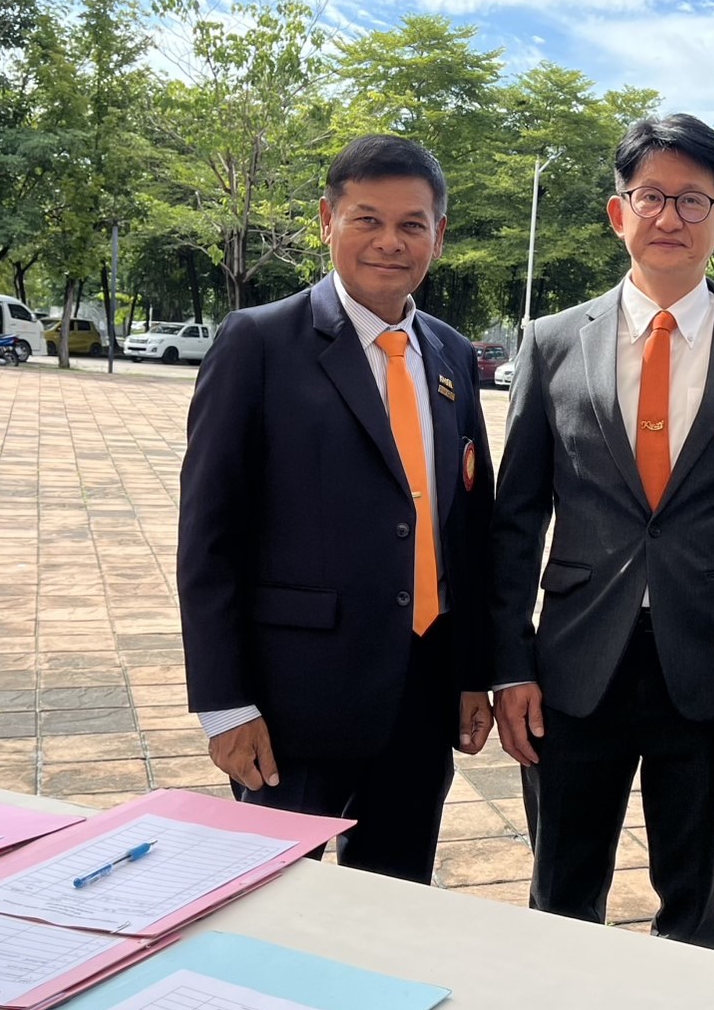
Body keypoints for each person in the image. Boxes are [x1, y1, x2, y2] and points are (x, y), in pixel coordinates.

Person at [489, 114, 714, 950]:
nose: (670, 216)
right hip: (571, 669)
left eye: (693, 200)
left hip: (707, 672)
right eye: (650, 196)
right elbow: (516, 517)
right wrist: (509, 663)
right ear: (617, 212)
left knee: (695, 905)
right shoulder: (552, 342)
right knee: (561, 898)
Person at [178, 135, 495, 883]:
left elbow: (469, 527)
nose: (390, 241)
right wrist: (224, 705)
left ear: (439, 234)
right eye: (367, 219)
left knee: (393, 900)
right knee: (271, 903)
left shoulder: (450, 354)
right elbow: (209, 537)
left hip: (421, 694)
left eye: (412, 224)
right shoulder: (259, 342)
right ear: (327, 220)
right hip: (293, 703)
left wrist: (472, 672)